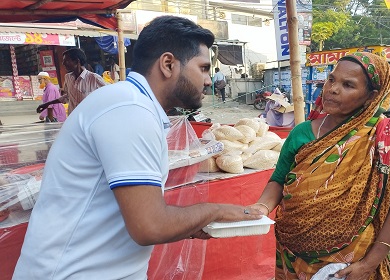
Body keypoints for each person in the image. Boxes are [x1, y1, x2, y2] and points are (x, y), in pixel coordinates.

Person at [13, 16, 262, 279]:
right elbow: (150, 226)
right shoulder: (129, 110)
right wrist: (217, 210)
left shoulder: (134, 105)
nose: (209, 80)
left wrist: (192, 221)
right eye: (202, 68)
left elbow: (138, 213)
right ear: (168, 64)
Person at [249, 52, 390, 280]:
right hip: (291, 252)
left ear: (371, 96)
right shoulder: (302, 133)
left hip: (349, 264)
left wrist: (368, 265)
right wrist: (263, 207)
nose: (333, 89)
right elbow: (278, 180)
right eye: (331, 79)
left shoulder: (383, 139)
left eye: (348, 85)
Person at [36, 48, 107, 116]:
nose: (63, 63)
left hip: (89, 118)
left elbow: (108, 96)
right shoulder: (68, 77)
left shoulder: (94, 78)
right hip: (73, 119)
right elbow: (67, 96)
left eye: (66, 60)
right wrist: (47, 104)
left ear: (76, 61)